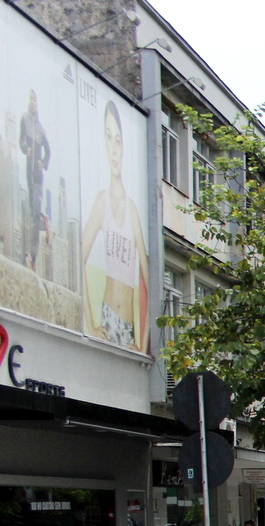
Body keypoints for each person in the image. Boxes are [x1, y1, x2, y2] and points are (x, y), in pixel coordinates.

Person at [81, 101, 148, 352]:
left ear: (124, 146)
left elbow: (147, 278)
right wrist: (90, 324)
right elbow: (80, 256)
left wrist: (142, 344)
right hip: (107, 321)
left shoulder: (132, 209)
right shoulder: (101, 201)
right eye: (108, 138)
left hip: (129, 329)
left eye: (118, 140)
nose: (113, 148)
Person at [18, 90, 50, 272]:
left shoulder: (41, 129)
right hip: (28, 172)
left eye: (34, 99)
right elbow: (21, 140)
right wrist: (24, 149)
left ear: (37, 103)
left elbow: (49, 151)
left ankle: (33, 258)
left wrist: (43, 163)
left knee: (34, 212)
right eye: (29, 98)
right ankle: (42, 219)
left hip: (37, 175)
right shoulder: (24, 120)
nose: (32, 102)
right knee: (31, 214)